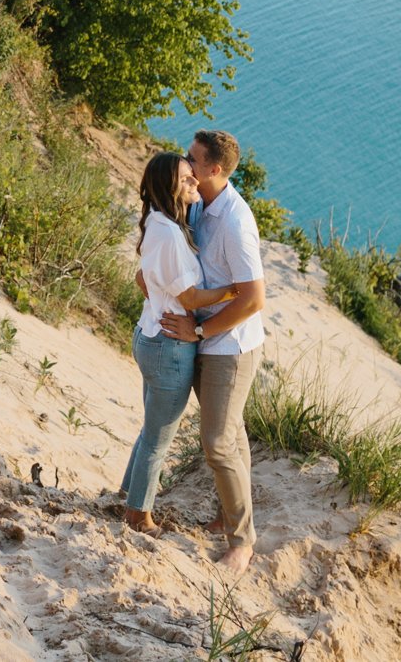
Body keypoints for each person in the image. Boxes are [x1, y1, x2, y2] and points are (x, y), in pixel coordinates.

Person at [161, 128, 267, 571]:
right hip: (210, 340)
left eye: (193, 157)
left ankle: (242, 543)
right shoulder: (203, 205)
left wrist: (201, 335)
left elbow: (253, 297)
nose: (186, 161)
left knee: (217, 442)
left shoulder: (236, 223)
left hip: (231, 348)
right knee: (232, 435)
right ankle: (228, 517)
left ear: (214, 169)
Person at [121, 151, 232, 533]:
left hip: (150, 334)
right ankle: (139, 516)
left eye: (192, 176)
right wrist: (233, 292)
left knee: (150, 429)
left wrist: (157, 299)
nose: (194, 183)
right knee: (158, 438)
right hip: (168, 346)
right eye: (185, 179)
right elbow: (190, 299)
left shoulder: (159, 222)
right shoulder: (169, 232)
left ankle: (127, 495)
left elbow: (142, 278)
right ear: (169, 187)